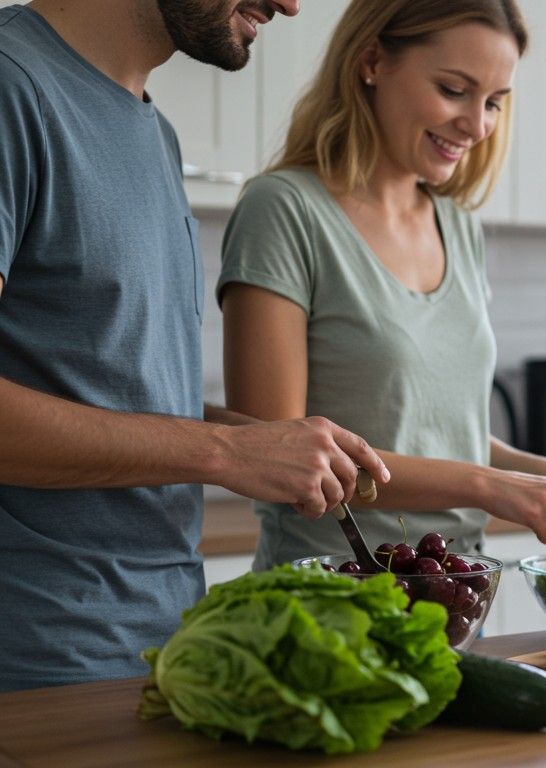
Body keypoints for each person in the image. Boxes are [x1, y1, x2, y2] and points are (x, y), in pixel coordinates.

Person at [0, 0, 393, 693]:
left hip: (162, 644)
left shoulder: (155, 131)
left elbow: (114, 391)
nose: (292, 4)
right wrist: (227, 454)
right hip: (37, 660)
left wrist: (272, 442)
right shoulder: (11, 85)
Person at [218, 0, 546, 574]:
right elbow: (276, 455)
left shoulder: (459, 227)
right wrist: (489, 486)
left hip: (454, 591)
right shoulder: (284, 210)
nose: (477, 124)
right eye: (453, 90)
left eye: (493, 102)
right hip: (330, 602)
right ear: (372, 61)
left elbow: (444, 437)